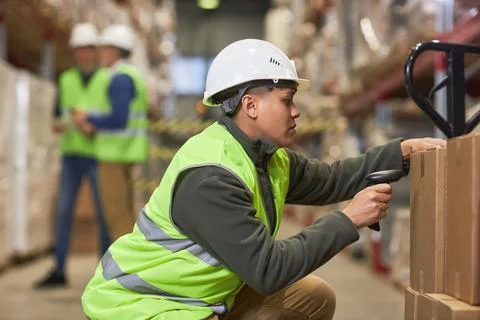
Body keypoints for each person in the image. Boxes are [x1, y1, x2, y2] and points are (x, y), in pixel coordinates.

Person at [81, 39, 445, 319]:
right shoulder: (211, 176)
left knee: (313, 297)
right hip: (146, 306)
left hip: (197, 298)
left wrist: (401, 152)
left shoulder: (266, 157)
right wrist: (348, 220)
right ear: (251, 105)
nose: (296, 110)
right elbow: (269, 270)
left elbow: (331, 179)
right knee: (281, 282)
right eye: (287, 100)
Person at [35, 23, 111, 289]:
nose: (83, 55)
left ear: (95, 51)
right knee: (64, 212)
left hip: (98, 155)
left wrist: (93, 124)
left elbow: (112, 118)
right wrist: (61, 123)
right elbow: (57, 117)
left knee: (105, 215)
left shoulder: (107, 79)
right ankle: (58, 270)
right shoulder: (66, 79)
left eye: (87, 49)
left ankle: (106, 272)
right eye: (78, 50)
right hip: (71, 156)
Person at [72, 24, 149, 241]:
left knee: (117, 218)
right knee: (124, 213)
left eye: (104, 48)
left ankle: (127, 272)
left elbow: (118, 119)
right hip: (124, 153)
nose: (100, 53)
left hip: (115, 155)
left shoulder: (120, 78)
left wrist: (88, 118)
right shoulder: (129, 75)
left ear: (115, 50)